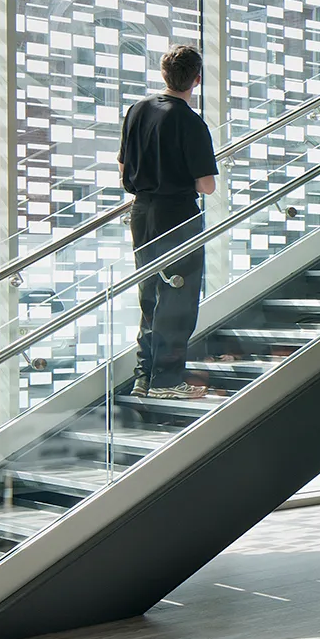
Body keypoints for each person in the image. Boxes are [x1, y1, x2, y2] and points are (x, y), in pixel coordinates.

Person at [119, 44, 218, 400]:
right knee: (178, 300)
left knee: (150, 296)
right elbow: (206, 185)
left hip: (141, 213)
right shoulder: (190, 122)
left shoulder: (136, 111)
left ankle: (144, 376)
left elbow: (122, 168)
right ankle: (167, 381)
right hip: (177, 218)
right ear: (197, 79)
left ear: (163, 75)